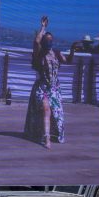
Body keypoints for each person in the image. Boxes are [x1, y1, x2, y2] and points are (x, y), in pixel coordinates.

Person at [23, 16, 75, 148]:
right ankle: (46, 138)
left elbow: (68, 61)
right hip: (42, 88)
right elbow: (36, 41)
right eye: (47, 39)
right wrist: (43, 27)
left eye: (51, 40)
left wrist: (73, 49)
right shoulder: (39, 53)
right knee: (46, 109)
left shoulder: (56, 53)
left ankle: (51, 134)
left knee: (56, 114)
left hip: (54, 89)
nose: (49, 41)